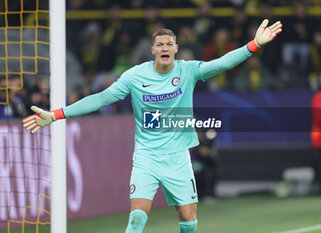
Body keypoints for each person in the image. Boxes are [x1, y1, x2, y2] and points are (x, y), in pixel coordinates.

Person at [22, 19, 282, 233]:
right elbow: (101, 98)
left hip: (178, 158)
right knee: (137, 218)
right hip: (146, 157)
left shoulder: (188, 71)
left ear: (176, 48)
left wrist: (254, 45)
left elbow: (222, 63)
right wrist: (56, 114)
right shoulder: (135, 76)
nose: (165, 47)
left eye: (169, 44)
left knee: (189, 222)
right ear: (153, 50)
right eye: (160, 44)